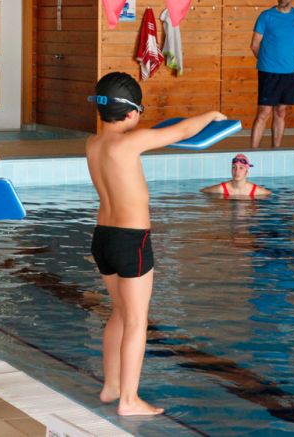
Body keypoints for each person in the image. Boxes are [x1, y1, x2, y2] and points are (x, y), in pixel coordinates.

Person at [86, 72, 226, 416]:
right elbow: (182, 131)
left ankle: (111, 386)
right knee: (136, 320)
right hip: (131, 240)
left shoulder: (93, 143)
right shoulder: (131, 142)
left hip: (102, 238)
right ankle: (129, 400)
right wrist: (211, 115)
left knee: (119, 313)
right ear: (133, 113)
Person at [250, 0, 294, 148]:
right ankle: (252, 152)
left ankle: (276, 150)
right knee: (263, 113)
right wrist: (267, 62)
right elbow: (255, 45)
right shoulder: (266, 16)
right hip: (268, 72)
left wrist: (285, 59)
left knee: (280, 112)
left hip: (290, 72)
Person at [200, 154, 271, 199]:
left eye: (241, 168)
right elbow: (203, 191)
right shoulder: (221, 189)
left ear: (247, 171)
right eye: (234, 167)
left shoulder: (256, 191)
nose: (237, 171)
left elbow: (269, 193)